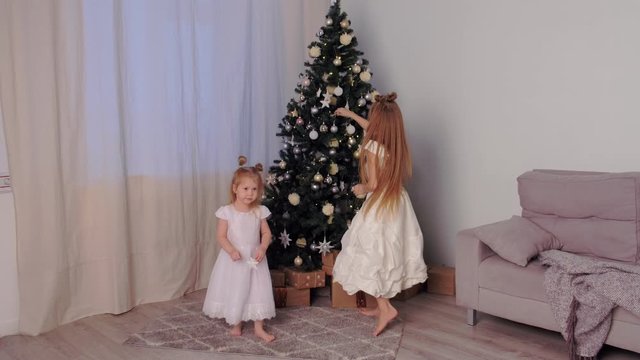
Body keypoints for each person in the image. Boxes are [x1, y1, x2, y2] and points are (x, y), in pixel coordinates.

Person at [332, 92, 428, 336]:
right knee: (384, 256)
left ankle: (385, 308)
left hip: (379, 203)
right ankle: (380, 306)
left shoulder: (373, 148)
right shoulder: (393, 143)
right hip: (396, 203)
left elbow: (373, 184)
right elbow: (370, 128)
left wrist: (360, 188)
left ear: (377, 124)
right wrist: (351, 115)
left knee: (370, 255)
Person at [202, 156, 276, 343]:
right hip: (234, 259)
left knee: (258, 290)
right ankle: (236, 322)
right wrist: (231, 250)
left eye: (254, 189)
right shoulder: (226, 212)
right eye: (245, 189)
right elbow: (221, 236)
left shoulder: (259, 211)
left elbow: (266, 233)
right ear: (235, 189)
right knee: (236, 289)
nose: (249, 193)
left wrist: (263, 246)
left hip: (254, 259)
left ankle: (259, 327)